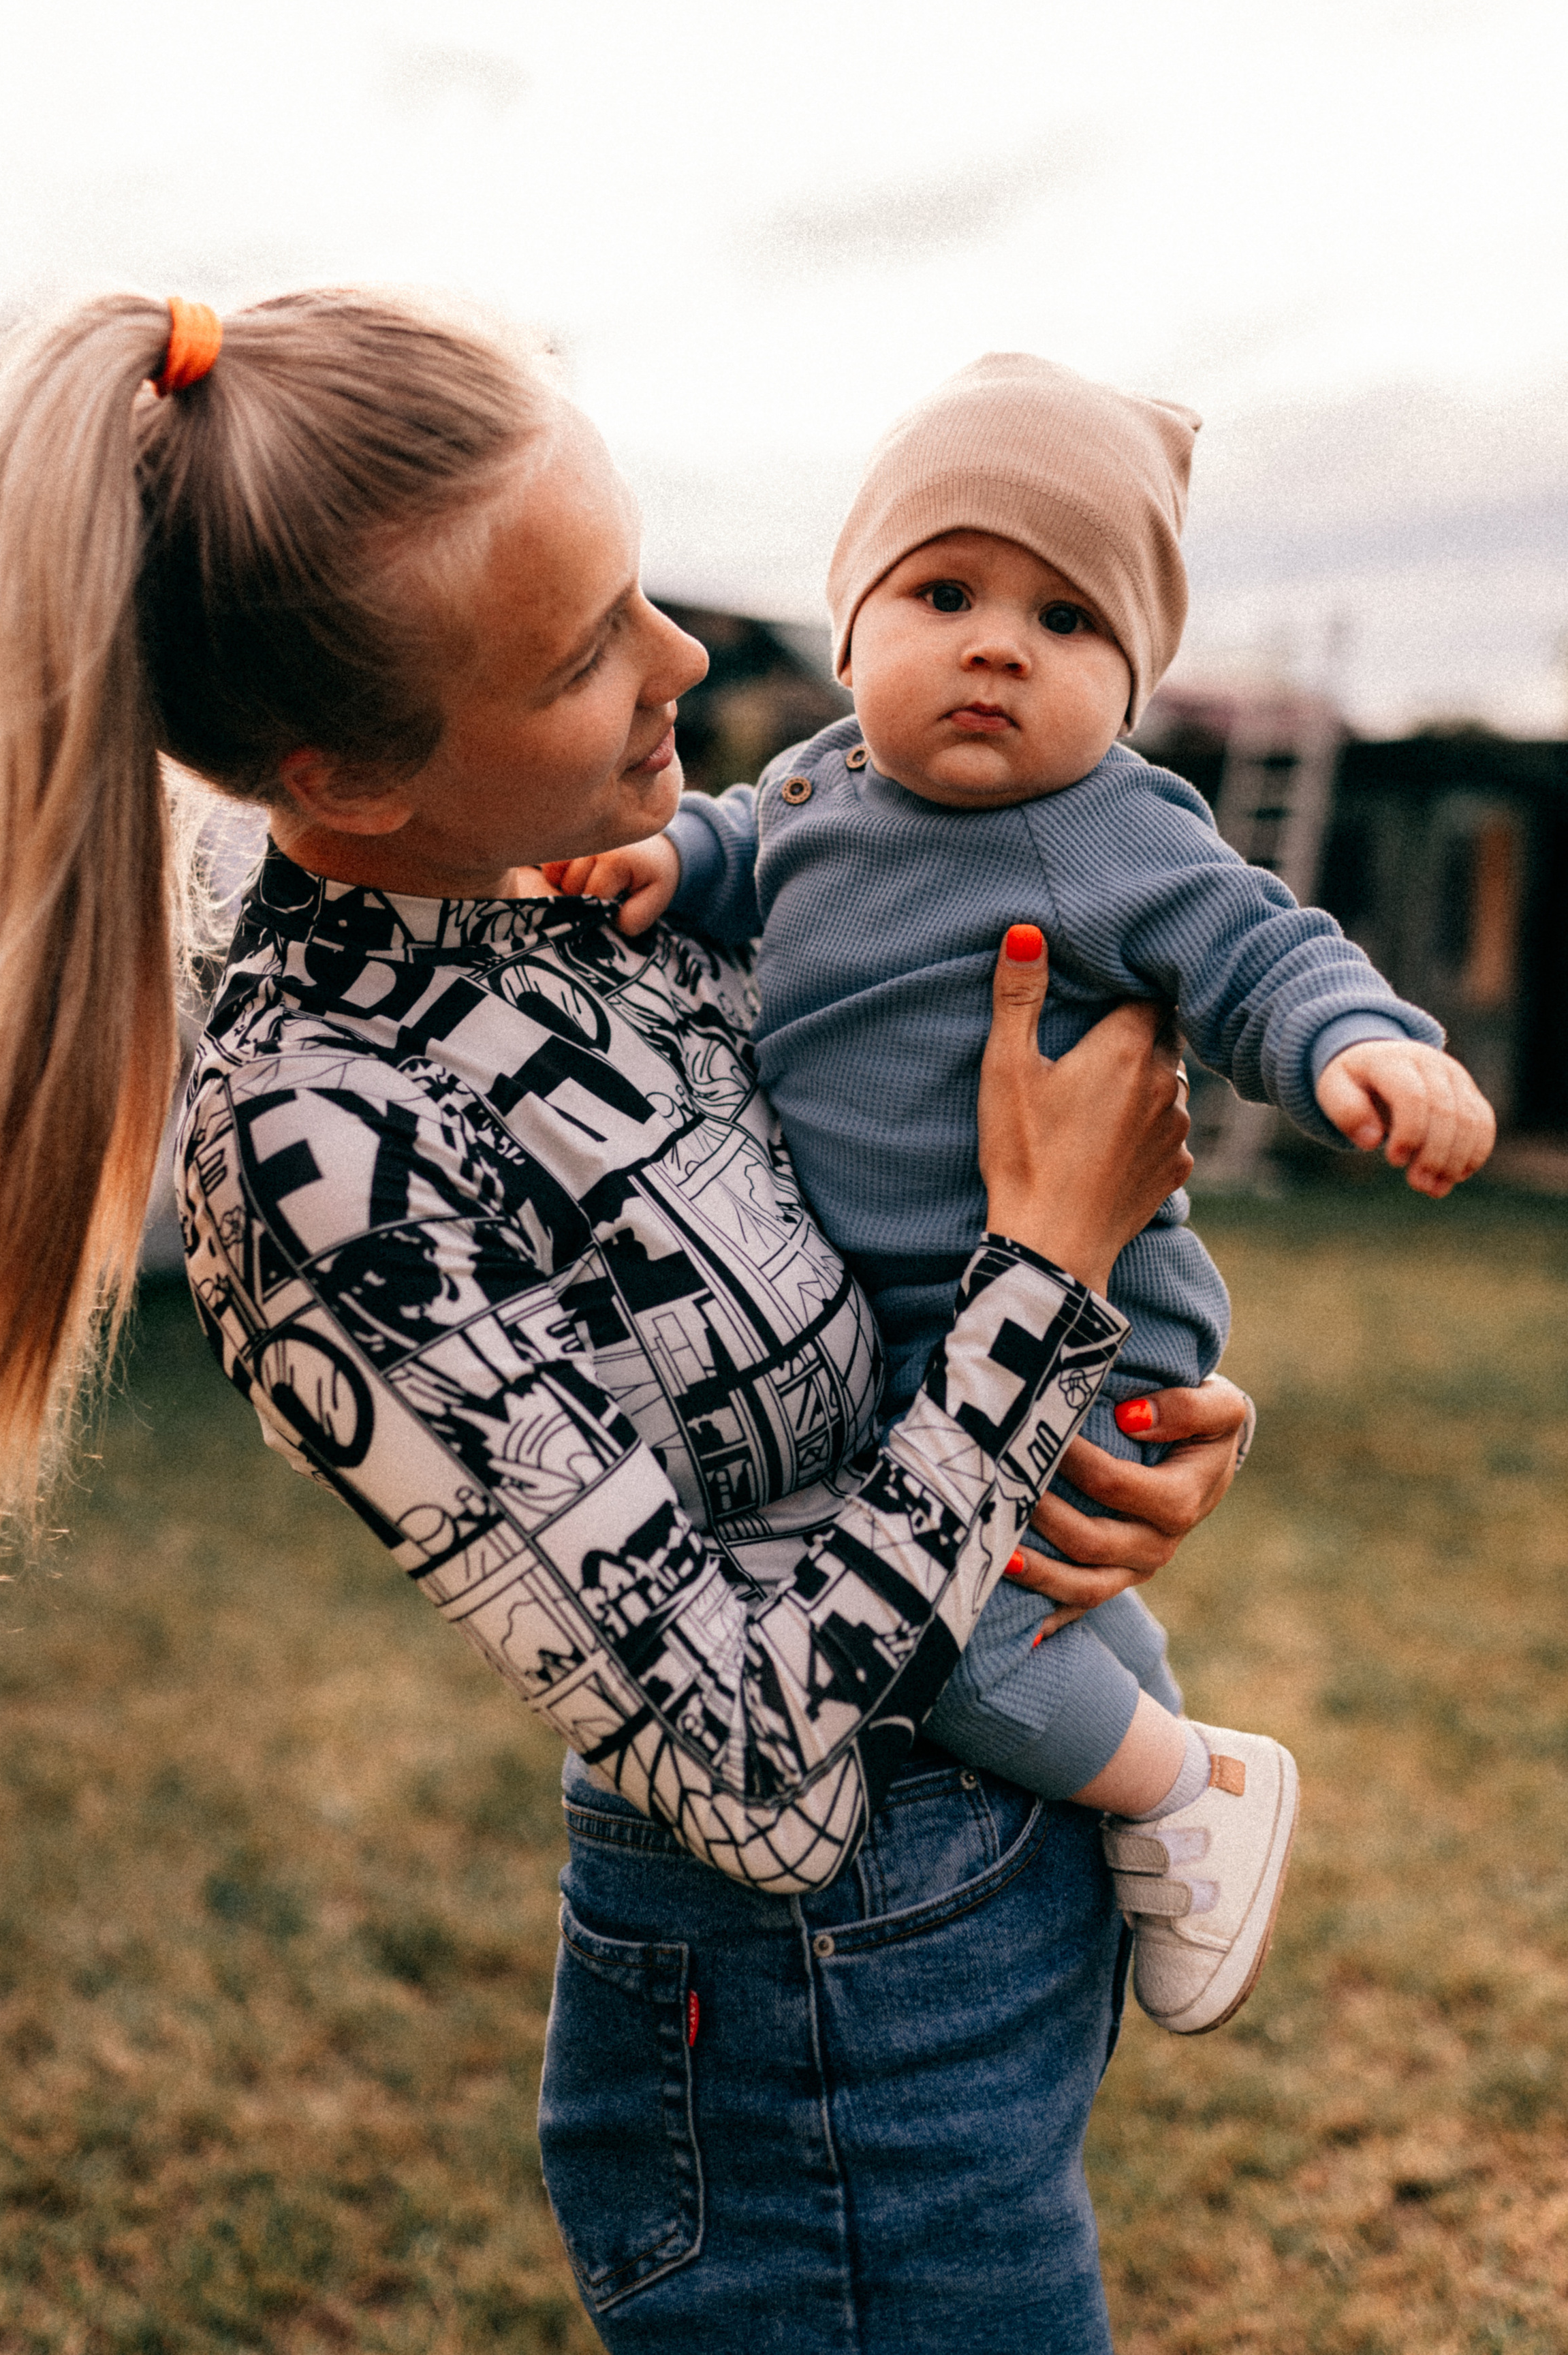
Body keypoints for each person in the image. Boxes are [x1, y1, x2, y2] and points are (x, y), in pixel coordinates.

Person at [0, 292, 1249, 2353]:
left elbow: (911, 1275)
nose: (684, 663)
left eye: (638, 587)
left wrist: (1134, 1404)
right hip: (824, 2017)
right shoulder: (325, 1149)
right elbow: (753, 1772)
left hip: (1003, 1897)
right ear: (343, 772)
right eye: (585, 649)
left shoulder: (604, 877)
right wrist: (1038, 1299)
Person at [544, 352, 1496, 2038]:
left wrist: (1363, 1048)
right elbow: (727, 851)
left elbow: (1258, 948)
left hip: (1082, 1316)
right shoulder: (819, 785)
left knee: (939, 1629)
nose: (996, 644)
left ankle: (1178, 1788)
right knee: (1038, 1590)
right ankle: (1141, 1747)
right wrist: (654, 863)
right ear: (851, 636)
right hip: (915, 1320)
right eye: (945, 591)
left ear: (1128, 688)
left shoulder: (1116, 828)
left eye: (1068, 624)